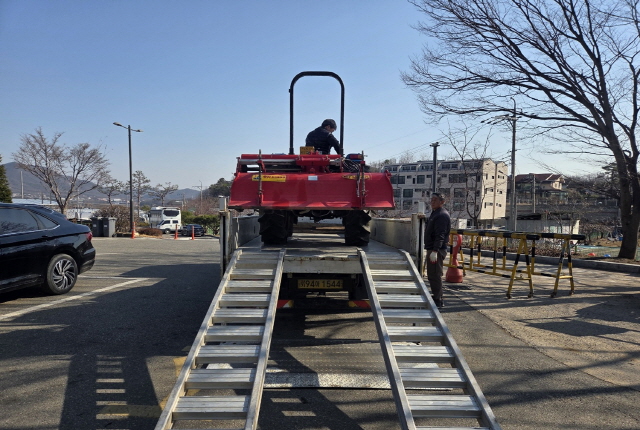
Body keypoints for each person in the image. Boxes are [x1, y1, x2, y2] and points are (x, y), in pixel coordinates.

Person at [424, 192, 451, 308]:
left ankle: (438, 299)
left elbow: (441, 234)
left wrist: (435, 251)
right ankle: (436, 296)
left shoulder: (441, 215)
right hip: (432, 248)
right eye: (432, 200)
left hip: (436, 250)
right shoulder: (435, 213)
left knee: (435, 274)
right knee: (432, 274)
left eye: (435, 200)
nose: (432, 202)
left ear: (442, 202)